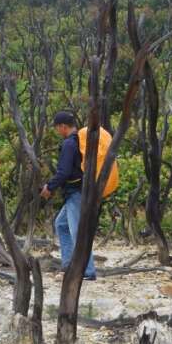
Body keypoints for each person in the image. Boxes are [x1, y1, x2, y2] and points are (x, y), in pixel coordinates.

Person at [40, 111, 96, 281]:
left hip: (76, 193)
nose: (57, 131)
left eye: (57, 128)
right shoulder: (79, 142)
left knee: (78, 231)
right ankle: (68, 266)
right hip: (80, 192)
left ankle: (87, 271)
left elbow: (63, 172)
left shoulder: (69, 144)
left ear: (63, 126)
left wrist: (49, 187)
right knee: (61, 224)